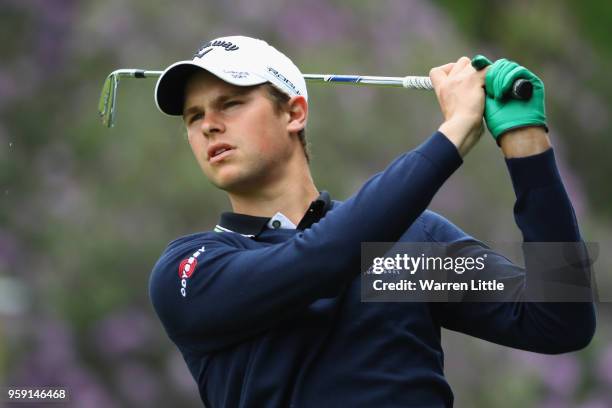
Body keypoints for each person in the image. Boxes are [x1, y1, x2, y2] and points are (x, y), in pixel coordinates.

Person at [149, 35, 595, 407]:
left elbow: (558, 320)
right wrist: (455, 130)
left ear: (294, 112)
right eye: (194, 117)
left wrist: (527, 144)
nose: (209, 125)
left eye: (230, 103)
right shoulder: (191, 270)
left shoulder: (411, 244)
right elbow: (322, 259)